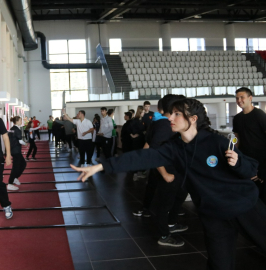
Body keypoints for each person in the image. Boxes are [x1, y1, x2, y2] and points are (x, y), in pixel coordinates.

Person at [72, 98, 266, 270]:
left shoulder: (216, 142)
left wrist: (238, 163)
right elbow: (144, 157)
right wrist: (101, 166)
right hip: (214, 214)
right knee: (219, 264)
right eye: (171, 113)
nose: (170, 118)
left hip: (244, 206)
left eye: (177, 114)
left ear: (193, 119)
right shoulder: (174, 147)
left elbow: (250, 170)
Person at [133, 95, 188, 247]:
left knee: (175, 196)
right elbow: (155, 149)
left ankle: (170, 224)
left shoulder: (158, 123)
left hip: (167, 168)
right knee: (165, 204)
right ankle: (164, 235)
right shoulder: (164, 124)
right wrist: (164, 173)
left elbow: (148, 145)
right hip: (167, 169)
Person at [233, 87, 266, 203]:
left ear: (250, 98)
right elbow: (237, 138)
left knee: (261, 189)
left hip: (261, 159)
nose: (239, 100)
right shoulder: (237, 118)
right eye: (237, 98)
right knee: (248, 188)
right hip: (245, 158)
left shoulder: (260, 115)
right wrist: (235, 153)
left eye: (242, 97)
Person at [7, 116, 27, 191]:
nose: (21, 121)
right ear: (17, 121)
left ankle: (15, 178)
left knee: (23, 164)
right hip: (16, 151)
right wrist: (25, 143)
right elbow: (20, 141)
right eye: (20, 120)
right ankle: (10, 183)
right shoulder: (17, 130)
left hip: (14, 150)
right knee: (15, 167)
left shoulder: (12, 129)